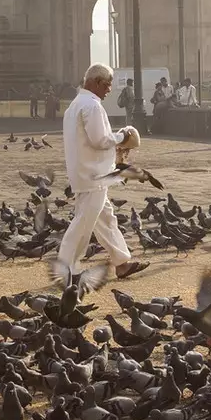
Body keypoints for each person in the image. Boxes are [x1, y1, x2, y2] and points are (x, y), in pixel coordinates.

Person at [55, 64, 147, 284]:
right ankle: (66, 270)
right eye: (106, 85)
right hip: (92, 175)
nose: (108, 91)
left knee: (106, 219)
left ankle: (121, 263)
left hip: (85, 172)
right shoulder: (92, 106)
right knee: (82, 224)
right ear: (96, 82)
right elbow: (100, 140)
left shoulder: (75, 105)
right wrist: (122, 135)